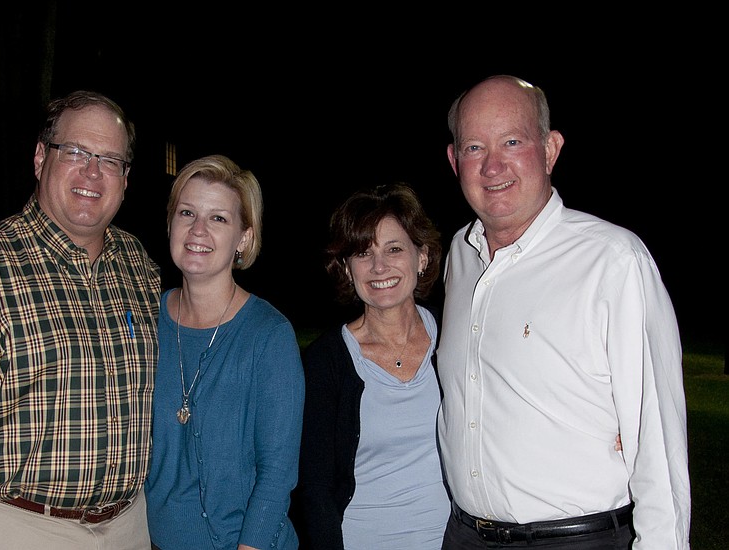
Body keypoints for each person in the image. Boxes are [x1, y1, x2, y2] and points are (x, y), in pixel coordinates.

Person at [437, 74, 690, 549]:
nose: (493, 165)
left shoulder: (613, 262)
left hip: (576, 539)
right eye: (474, 147)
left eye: (512, 141)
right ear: (454, 160)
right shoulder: (461, 254)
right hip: (466, 535)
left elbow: (658, 440)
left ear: (550, 149)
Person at [0, 90, 161, 550]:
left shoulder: (138, 266)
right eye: (77, 152)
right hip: (23, 529)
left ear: (125, 177)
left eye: (110, 160)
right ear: (41, 158)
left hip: (130, 525)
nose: (92, 172)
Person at [144, 154, 305, 550]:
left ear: (244, 238)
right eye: (187, 213)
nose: (198, 229)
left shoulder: (268, 335)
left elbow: (277, 473)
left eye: (218, 218)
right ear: (170, 223)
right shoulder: (144, 322)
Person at [293, 182, 448, 549]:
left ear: (421, 257)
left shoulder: (457, 338)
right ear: (347, 269)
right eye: (363, 253)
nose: (379, 266)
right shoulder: (325, 364)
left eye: (394, 249)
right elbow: (314, 491)